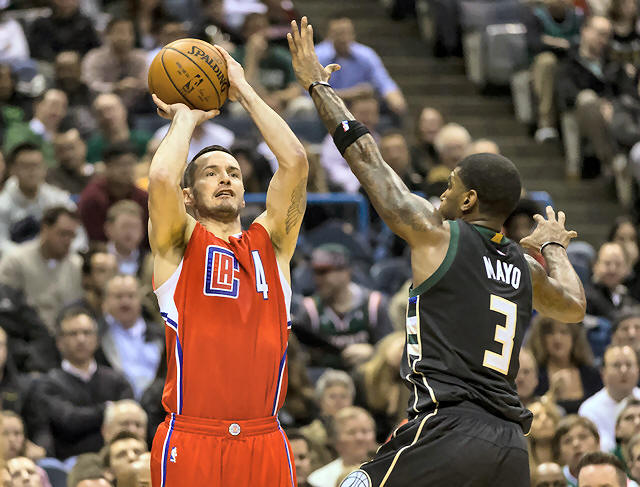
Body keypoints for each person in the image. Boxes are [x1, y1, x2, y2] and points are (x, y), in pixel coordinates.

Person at [288, 17, 587, 486]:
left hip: (448, 427)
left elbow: (367, 159)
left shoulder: (439, 234)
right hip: (510, 444)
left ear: (469, 200)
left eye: (451, 185)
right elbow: (574, 307)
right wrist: (554, 248)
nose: (443, 193)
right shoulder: (524, 267)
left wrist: (317, 86)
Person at [147, 43, 308, 486]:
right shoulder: (178, 244)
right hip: (192, 436)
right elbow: (161, 178)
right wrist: (186, 117)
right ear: (188, 196)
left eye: (234, 173)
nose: (225, 178)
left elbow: (295, 162)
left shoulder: (273, 244)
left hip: (265, 436)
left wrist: (243, 90)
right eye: (211, 172)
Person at [27, 307, 133, 459]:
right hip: (69, 461)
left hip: (116, 457)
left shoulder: (117, 380)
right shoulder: (47, 384)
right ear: (59, 342)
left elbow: (128, 416)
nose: (81, 339)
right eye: (73, 334)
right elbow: (69, 421)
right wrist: (108, 409)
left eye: (86, 332)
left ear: (97, 339)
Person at [294, 243, 394, 370]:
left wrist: (373, 352)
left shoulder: (374, 304)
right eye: (314, 272)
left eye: (323, 272)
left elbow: (391, 350)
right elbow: (298, 358)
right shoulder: (310, 309)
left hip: (367, 376)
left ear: (345, 271)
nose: (317, 279)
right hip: (324, 377)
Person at [0, 205, 83, 334]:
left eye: (72, 236)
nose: (68, 241)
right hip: (26, 335)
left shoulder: (76, 265)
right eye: (63, 234)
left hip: (67, 336)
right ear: (45, 229)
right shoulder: (16, 260)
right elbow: (6, 307)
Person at [528, 315, 602, 414]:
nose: (557, 339)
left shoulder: (591, 374)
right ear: (541, 339)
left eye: (564, 332)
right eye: (550, 333)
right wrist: (551, 394)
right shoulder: (534, 374)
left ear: (574, 337)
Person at [579, 344, 640, 452]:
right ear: (603, 372)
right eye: (616, 365)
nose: (623, 370)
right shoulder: (589, 409)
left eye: (629, 364)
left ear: (638, 370)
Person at [307, 406, 377, 487]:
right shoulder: (318, 480)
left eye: (365, 431)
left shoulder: (386, 471)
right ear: (336, 440)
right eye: (351, 432)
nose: (360, 438)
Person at [552, 415, 601, 486]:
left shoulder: (612, 474)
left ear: (598, 442)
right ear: (559, 451)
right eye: (567, 440)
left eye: (583, 437)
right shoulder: (554, 481)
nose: (576, 444)